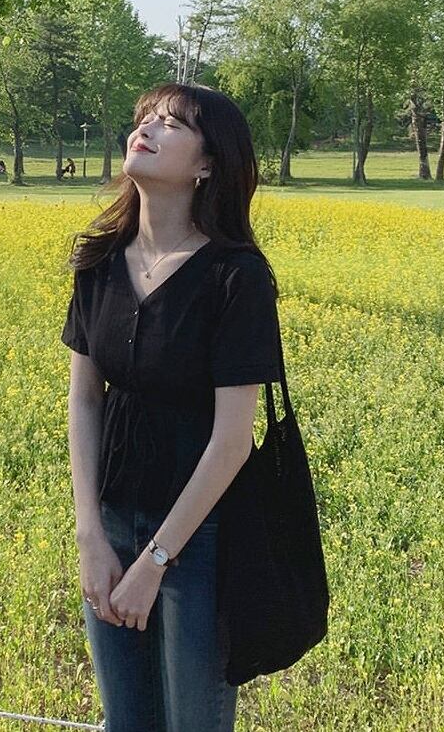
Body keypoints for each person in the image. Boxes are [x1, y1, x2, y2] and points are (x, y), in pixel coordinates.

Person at [60, 83, 281, 731]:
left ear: (207, 164)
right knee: (126, 721)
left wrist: (155, 562)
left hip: (200, 542)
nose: (147, 129)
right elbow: (84, 399)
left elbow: (232, 440)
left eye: (173, 124)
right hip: (111, 524)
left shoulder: (235, 278)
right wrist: (90, 534)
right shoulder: (99, 260)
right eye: (145, 118)